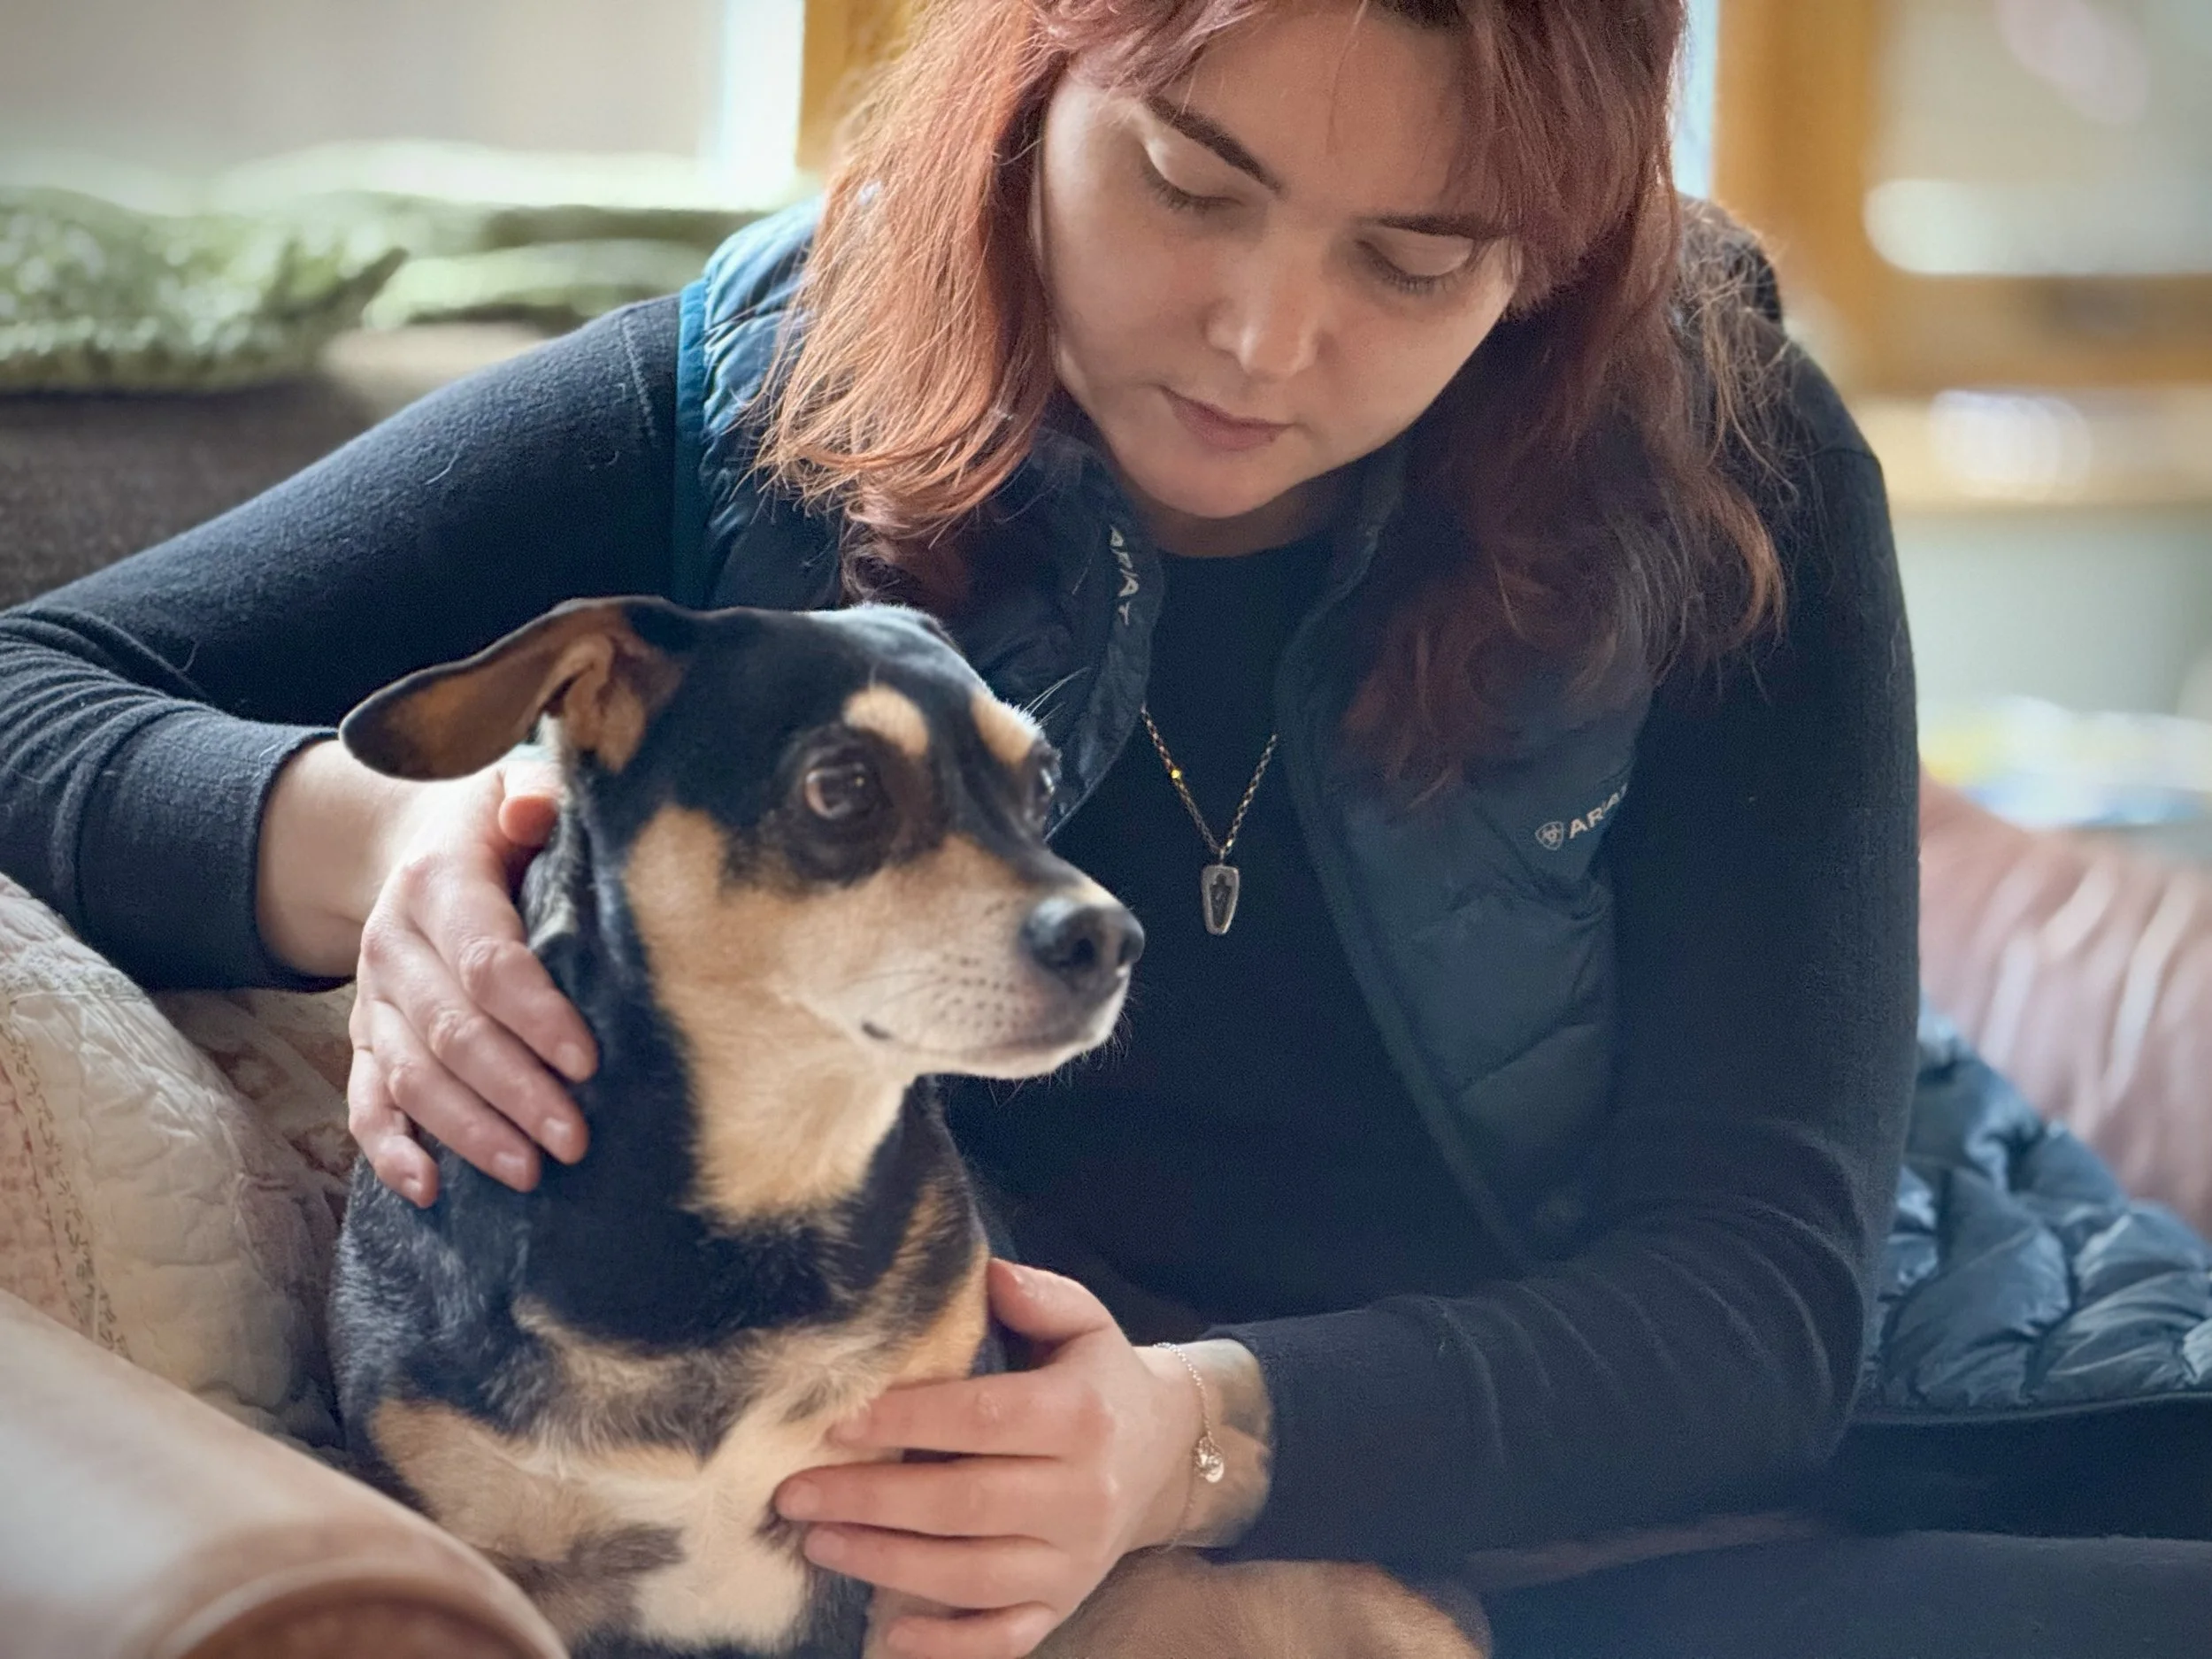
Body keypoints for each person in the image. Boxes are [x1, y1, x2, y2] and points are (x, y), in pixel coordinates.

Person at [6, 1, 2212, 1655]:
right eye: (1186, 176)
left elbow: (1756, 1301)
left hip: (1806, 1446)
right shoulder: (751, 397)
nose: (1266, 336)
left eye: (1418, 259)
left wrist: (1194, 1442)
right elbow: (36, 690)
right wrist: (385, 849)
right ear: (1030, 82)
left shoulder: (1714, 452)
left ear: (1550, 255)